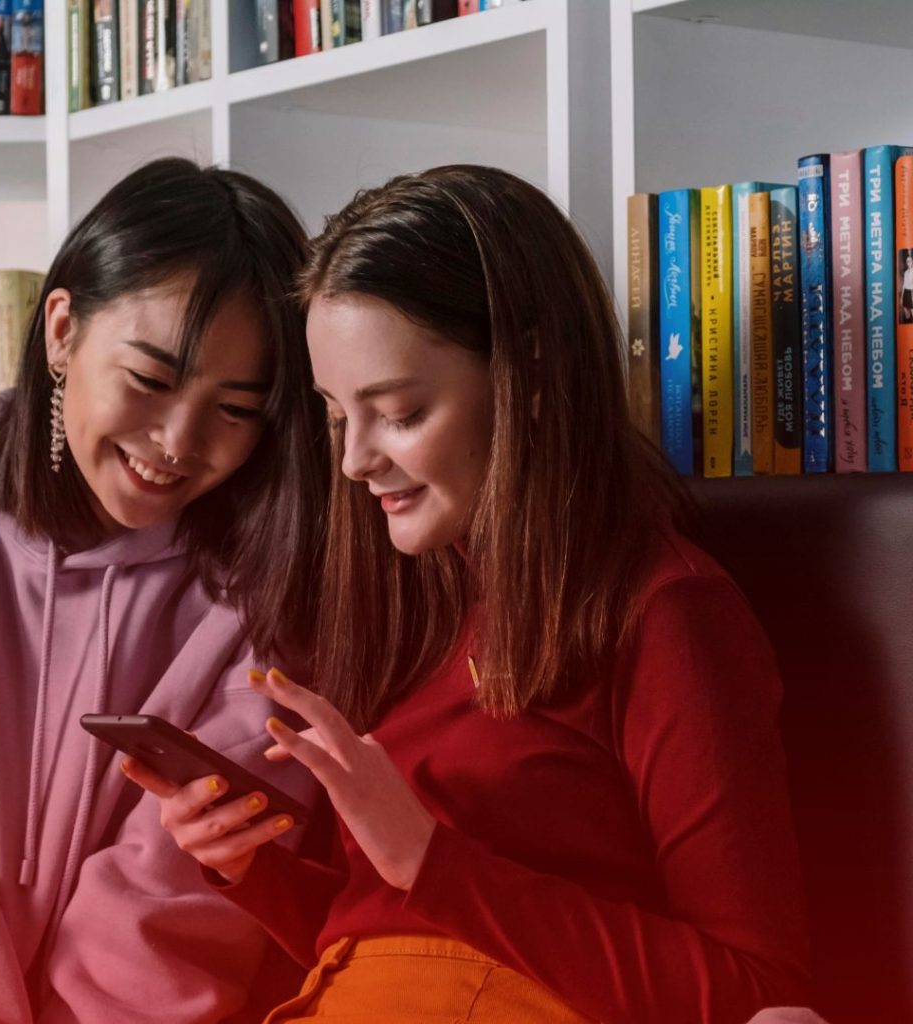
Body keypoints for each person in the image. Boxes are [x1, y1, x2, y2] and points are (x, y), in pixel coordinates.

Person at [128, 165, 811, 1023]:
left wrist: (429, 859)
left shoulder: (667, 613)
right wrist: (248, 866)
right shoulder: (411, 606)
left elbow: (757, 991)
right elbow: (390, 941)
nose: (354, 461)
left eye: (401, 412)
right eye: (338, 416)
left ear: (525, 379)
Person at [0, 157, 328, 1023]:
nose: (178, 440)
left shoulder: (271, 597)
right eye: (152, 380)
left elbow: (170, 914)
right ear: (61, 330)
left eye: (236, 410)